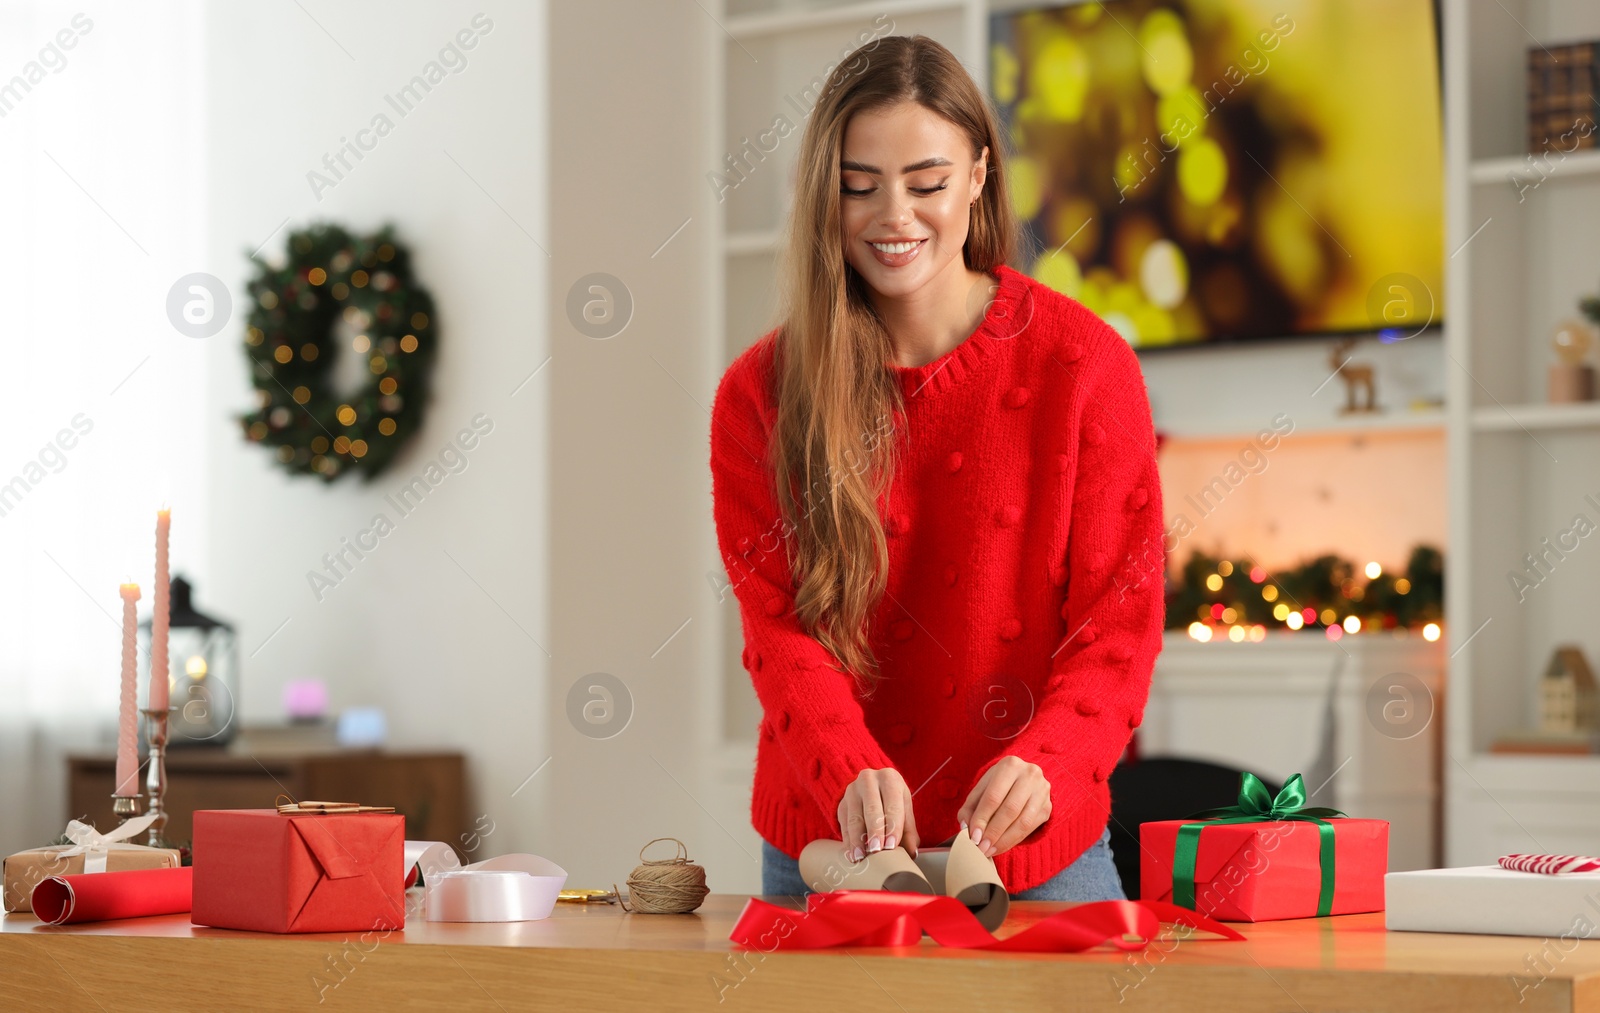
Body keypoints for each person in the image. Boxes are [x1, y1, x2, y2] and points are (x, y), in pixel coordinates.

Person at [708, 34, 1164, 901]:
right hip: (830, 846)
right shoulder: (758, 394)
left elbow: (1119, 623)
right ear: (822, 194)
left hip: (1035, 853)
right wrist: (848, 766)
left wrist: (1050, 760)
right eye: (858, 187)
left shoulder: (1086, 366)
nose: (894, 217)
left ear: (980, 176)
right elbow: (779, 628)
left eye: (927, 184)